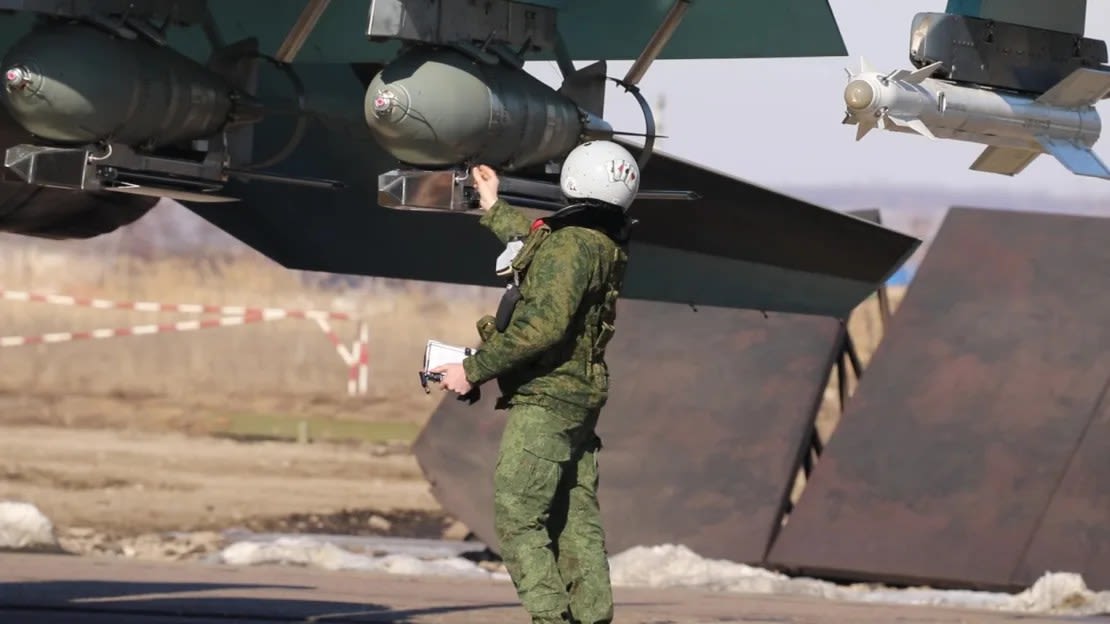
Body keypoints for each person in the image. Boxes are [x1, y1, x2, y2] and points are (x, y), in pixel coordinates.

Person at [431, 140, 639, 624]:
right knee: (574, 520)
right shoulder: (599, 244)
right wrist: (494, 206)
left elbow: (543, 324)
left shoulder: (573, 245)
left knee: (519, 516)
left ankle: (550, 619)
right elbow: (538, 251)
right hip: (578, 400)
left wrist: (473, 369)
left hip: (548, 399)